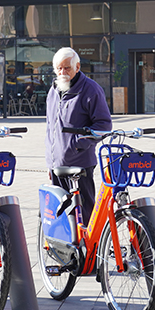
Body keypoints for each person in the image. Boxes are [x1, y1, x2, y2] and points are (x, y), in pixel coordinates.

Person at [45, 47, 112, 222]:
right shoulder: (53, 90)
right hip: (56, 166)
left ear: (78, 67)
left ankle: (92, 248)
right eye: (59, 68)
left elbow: (103, 125)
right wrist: (50, 161)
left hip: (80, 165)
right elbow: (50, 128)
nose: (62, 72)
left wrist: (77, 144)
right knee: (61, 215)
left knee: (86, 212)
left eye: (67, 68)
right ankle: (66, 248)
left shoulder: (91, 90)